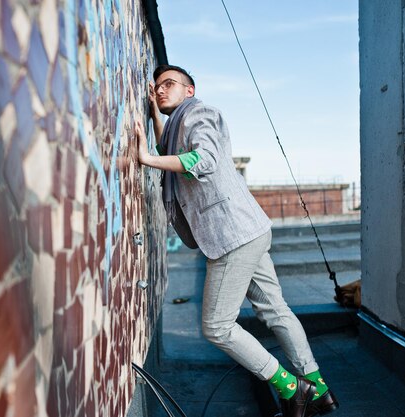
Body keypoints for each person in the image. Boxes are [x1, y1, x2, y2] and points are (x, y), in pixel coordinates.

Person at [134, 65, 339, 417]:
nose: (162, 90)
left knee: (217, 327)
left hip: (231, 236)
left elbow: (204, 159)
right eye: (157, 87)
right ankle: (318, 389)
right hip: (248, 230)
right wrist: (154, 110)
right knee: (276, 311)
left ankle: (292, 388)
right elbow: (168, 142)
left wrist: (147, 159)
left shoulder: (199, 113)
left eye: (169, 84)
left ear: (190, 90)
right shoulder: (177, 124)